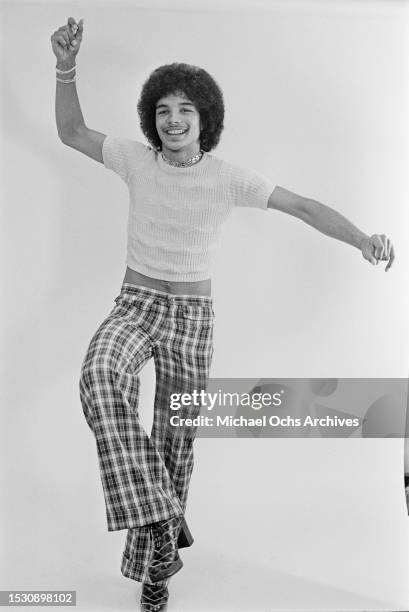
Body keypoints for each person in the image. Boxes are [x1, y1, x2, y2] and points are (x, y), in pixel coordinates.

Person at [51, 16, 395, 612]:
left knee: (175, 442)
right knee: (100, 374)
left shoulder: (228, 177)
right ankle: (162, 519)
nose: (174, 119)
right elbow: (72, 131)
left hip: (193, 318)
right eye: (163, 110)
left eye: (186, 109)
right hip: (134, 306)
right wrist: (64, 66)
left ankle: (154, 570)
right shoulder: (135, 160)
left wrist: (363, 238)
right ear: (150, 120)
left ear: (205, 118)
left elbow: (304, 207)